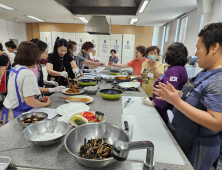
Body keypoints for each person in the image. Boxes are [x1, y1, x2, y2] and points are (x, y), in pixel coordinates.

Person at [153, 23, 222, 170]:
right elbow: (196, 98)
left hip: (199, 146)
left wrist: (176, 101)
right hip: (185, 136)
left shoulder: (219, 80)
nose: (195, 54)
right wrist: (174, 94)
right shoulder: (206, 73)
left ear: (214, 47)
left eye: (198, 48)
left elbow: (216, 122)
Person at [2, 41, 51, 124]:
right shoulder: (28, 73)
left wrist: (38, 100)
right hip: (18, 115)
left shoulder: (15, 68)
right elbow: (30, 101)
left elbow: (20, 94)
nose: (39, 59)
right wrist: (46, 104)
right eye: (37, 56)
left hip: (8, 112)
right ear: (31, 56)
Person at [141, 42, 188, 124]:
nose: (165, 54)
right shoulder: (173, 68)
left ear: (172, 54)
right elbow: (161, 78)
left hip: (166, 109)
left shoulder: (175, 70)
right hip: (162, 105)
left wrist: (153, 102)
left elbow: (169, 91)